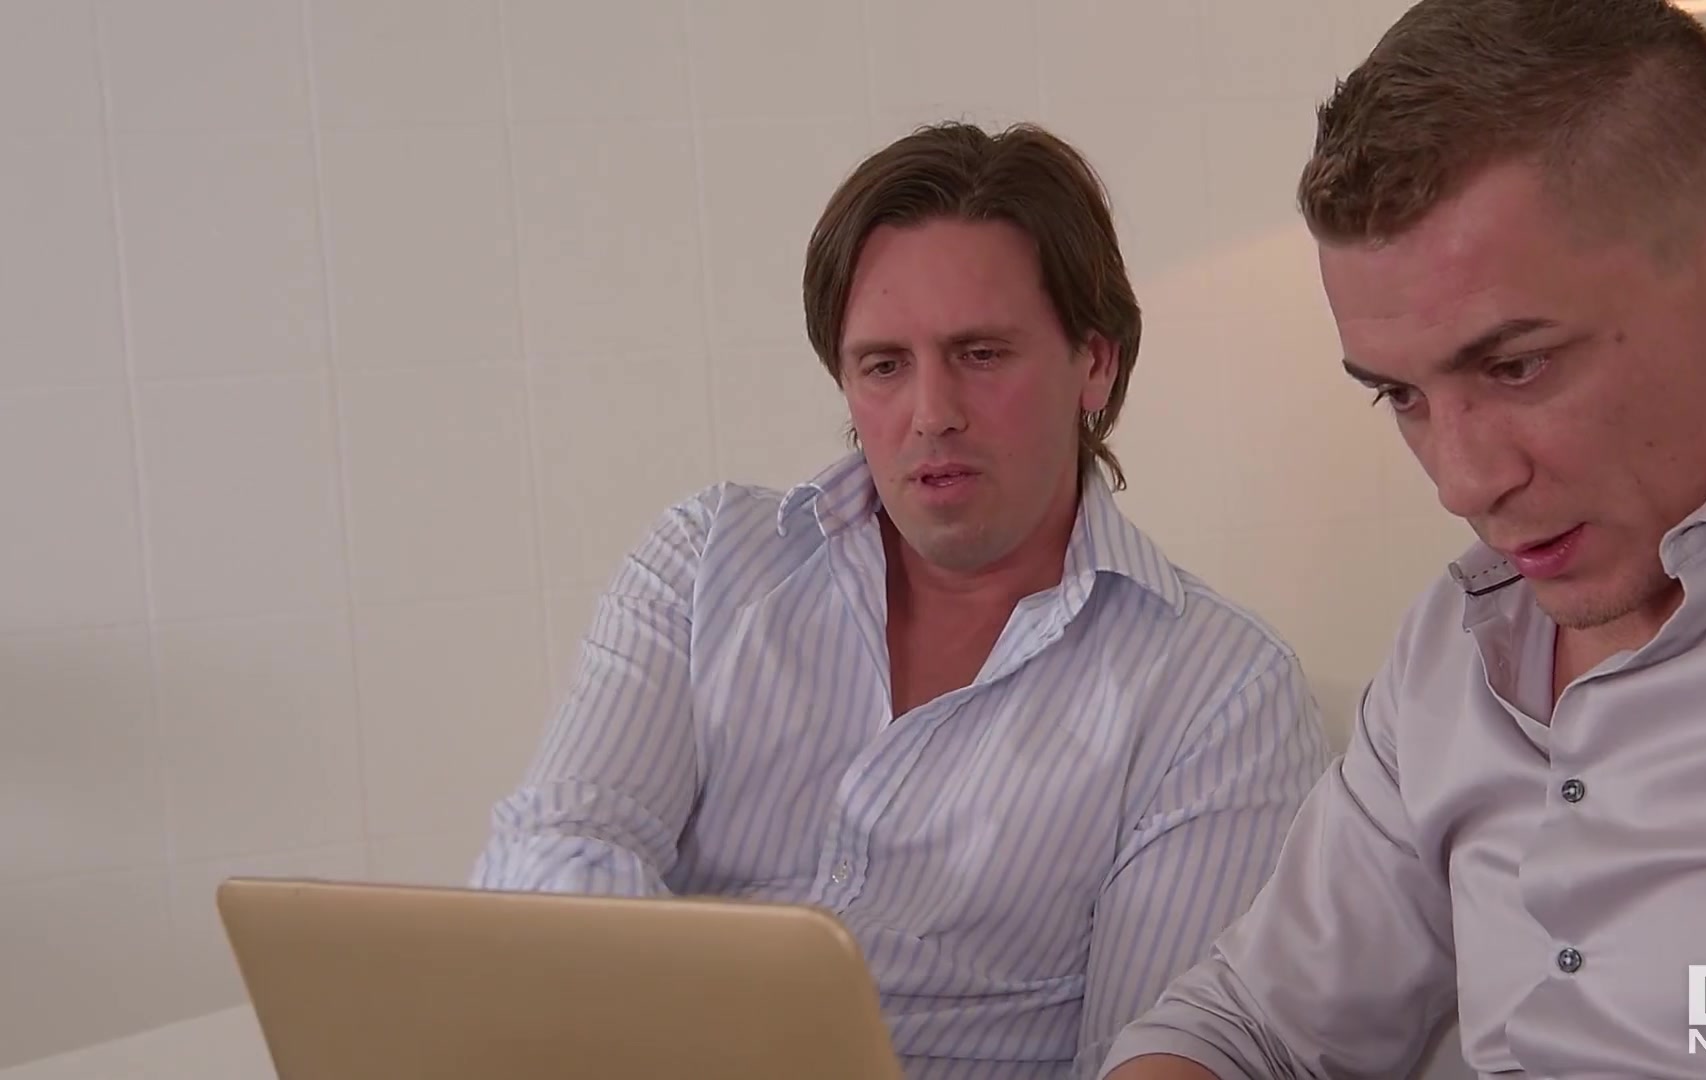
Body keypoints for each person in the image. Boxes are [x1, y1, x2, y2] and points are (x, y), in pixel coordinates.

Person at [1100, 0, 1706, 1077]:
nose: (1463, 482)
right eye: (1399, 394)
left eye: (1518, 366)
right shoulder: (1456, 640)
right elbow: (1250, 1025)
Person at [469, 121, 1332, 1079]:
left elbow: (1162, 1051)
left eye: (981, 354)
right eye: (884, 365)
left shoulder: (1220, 692)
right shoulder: (705, 564)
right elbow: (551, 855)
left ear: (1096, 361)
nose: (931, 414)